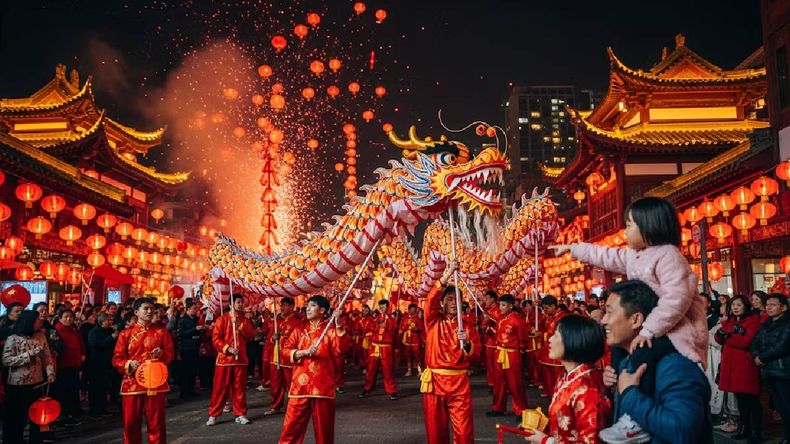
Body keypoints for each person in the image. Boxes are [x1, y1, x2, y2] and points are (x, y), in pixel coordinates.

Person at [551, 197, 707, 440]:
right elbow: (607, 256)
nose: (625, 230)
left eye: (630, 224)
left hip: (672, 329)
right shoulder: (635, 255)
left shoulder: (669, 257)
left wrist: (649, 330)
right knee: (620, 359)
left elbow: (677, 298)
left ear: (650, 226)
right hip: (648, 326)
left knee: (643, 358)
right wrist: (575, 249)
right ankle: (627, 410)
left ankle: (635, 421)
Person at [597, 280, 711, 444]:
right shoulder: (626, 361)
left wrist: (629, 393)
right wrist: (615, 387)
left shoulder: (675, 366)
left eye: (609, 312)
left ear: (636, 319)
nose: (603, 321)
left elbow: (684, 431)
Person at [526, 315, 611, 444]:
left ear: (574, 340)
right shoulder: (566, 376)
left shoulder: (588, 390)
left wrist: (546, 441)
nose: (550, 339)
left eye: (556, 335)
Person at [420, 261, 480, 444]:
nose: (454, 303)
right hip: (435, 382)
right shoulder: (432, 321)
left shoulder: (468, 327)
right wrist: (446, 276)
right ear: (442, 302)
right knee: (436, 430)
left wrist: (467, 343)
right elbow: (430, 302)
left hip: (459, 383)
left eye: (457, 300)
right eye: (450, 299)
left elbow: (477, 356)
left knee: (464, 432)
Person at [278, 296, 349, 444]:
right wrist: (303, 352)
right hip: (300, 386)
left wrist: (338, 324)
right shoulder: (300, 329)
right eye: (307, 306)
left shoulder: (330, 330)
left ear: (322, 310)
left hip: (322, 386)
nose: (308, 309)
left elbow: (340, 350)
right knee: (291, 428)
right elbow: (285, 350)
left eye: (312, 306)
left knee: (324, 431)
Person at [112, 297, 174, 444]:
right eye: (146, 308)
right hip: (133, 383)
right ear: (136, 312)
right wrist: (129, 364)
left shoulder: (161, 332)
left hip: (155, 383)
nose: (149, 311)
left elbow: (170, 353)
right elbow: (117, 359)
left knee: (157, 423)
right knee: (131, 424)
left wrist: (162, 354)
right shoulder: (125, 334)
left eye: (152, 309)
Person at [2, 310, 55, 444]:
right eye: (37, 319)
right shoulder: (13, 338)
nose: (40, 321)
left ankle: (36, 439)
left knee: (37, 416)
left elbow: (47, 357)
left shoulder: (41, 337)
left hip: (37, 382)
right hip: (17, 384)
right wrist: (29, 355)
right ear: (28, 321)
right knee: (16, 417)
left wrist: (50, 372)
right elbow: (6, 360)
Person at [715, 294, 762, 443]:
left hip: (745, 364)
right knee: (740, 400)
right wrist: (721, 334)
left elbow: (745, 342)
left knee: (751, 400)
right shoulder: (730, 320)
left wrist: (727, 336)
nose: (735, 308)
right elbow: (719, 338)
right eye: (733, 305)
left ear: (746, 306)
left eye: (739, 305)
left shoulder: (752, 321)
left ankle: (756, 432)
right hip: (731, 364)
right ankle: (744, 429)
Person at [207, 294, 255, 426]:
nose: (240, 304)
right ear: (230, 304)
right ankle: (213, 414)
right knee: (220, 388)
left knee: (240, 388)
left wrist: (239, 326)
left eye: (241, 302)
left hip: (240, 359)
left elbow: (250, 335)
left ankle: (240, 414)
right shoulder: (221, 320)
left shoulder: (244, 320)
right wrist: (228, 348)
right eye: (238, 302)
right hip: (224, 360)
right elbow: (216, 339)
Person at [751, 293, 790, 444]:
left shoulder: (787, 324)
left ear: (784, 307)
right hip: (768, 371)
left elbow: (783, 346)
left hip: (783, 370)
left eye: (773, 305)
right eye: (767, 305)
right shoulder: (767, 323)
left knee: (787, 405)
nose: (769, 307)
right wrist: (756, 355)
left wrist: (762, 358)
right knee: (780, 407)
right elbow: (755, 341)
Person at [487, 294, 529, 419]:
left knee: (515, 383)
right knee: (499, 382)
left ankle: (521, 410)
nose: (501, 307)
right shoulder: (501, 319)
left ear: (511, 306)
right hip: (499, 353)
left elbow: (523, 339)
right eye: (500, 305)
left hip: (512, 354)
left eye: (503, 305)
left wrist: (520, 351)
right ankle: (498, 408)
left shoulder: (517, 320)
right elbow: (497, 335)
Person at [264, 297, 303, 416]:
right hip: (276, 357)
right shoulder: (277, 322)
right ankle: (275, 406)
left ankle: (294, 408)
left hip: (288, 359)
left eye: (284, 305)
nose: (282, 307)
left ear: (292, 307)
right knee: (275, 384)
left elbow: (299, 340)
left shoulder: (298, 323)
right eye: (281, 305)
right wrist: (273, 338)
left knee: (291, 384)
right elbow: (269, 339)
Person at [360, 299, 399, 400]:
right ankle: (367, 388)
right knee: (371, 369)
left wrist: (386, 323)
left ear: (388, 307)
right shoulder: (374, 318)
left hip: (386, 348)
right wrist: (377, 324)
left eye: (384, 306)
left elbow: (394, 331)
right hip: (374, 346)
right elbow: (369, 330)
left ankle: (392, 390)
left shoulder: (392, 319)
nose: (381, 308)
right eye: (380, 306)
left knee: (388, 370)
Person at [54, 309, 86, 426]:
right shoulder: (56, 331)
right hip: (62, 366)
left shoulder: (73, 330)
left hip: (74, 364)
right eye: (66, 317)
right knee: (64, 393)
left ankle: (71, 414)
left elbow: (80, 344)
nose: (68, 319)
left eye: (71, 317)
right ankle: (63, 416)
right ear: (60, 318)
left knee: (72, 391)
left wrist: (82, 354)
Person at [87, 313, 118, 419]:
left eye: (111, 320)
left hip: (107, 364)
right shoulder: (94, 332)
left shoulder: (110, 331)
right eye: (108, 320)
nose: (110, 322)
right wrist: (111, 338)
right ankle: (94, 411)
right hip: (96, 363)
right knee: (96, 388)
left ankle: (103, 408)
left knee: (104, 387)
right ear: (102, 321)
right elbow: (97, 345)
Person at [538, 295, 567, 397]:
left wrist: (542, 335)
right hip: (547, 354)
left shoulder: (563, 318)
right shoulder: (549, 317)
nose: (545, 311)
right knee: (549, 381)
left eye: (547, 308)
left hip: (558, 356)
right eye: (544, 308)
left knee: (557, 382)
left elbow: (559, 335)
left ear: (553, 306)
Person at [178, 301, 202, 398]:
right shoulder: (183, 320)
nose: (196, 310)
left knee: (193, 370)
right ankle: (184, 391)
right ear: (188, 309)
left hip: (195, 347)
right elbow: (181, 334)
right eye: (194, 308)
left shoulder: (196, 319)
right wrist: (195, 329)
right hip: (186, 348)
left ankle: (191, 389)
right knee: (186, 370)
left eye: (196, 308)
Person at [482, 290, 502, 390]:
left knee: (497, 365)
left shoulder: (497, 310)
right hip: (489, 341)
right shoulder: (488, 310)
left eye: (487, 298)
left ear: (493, 299)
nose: (485, 300)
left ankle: (498, 384)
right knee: (490, 365)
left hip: (496, 342)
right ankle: (492, 383)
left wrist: (489, 318)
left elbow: (498, 323)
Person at [399, 303, 423, 377]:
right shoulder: (404, 319)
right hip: (407, 340)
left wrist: (416, 329)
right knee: (408, 356)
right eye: (411, 310)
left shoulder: (418, 319)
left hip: (416, 340)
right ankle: (409, 370)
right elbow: (400, 328)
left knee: (418, 356)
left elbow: (421, 329)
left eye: (414, 310)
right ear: (408, 310)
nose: (413, 311)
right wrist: (403, 330)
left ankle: (420, 370)